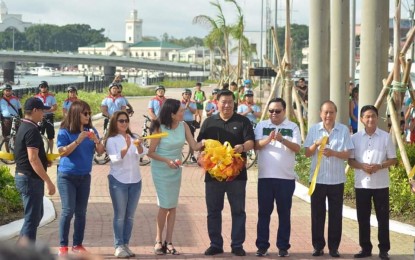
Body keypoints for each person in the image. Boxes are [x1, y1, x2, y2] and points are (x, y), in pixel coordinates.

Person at [197, 89, 255, 256]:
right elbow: (200, 144)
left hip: (237, 176)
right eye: (224, 102)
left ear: (234, 103)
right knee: (213, 211)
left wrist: (243, 147)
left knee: (238, 211)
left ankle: (237, 245)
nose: (227, 105)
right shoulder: (209, 122)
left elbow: (251, 141)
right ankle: (215, 244)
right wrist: (201, 155)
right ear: (217, 102)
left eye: (230, 102)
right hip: (213, 176)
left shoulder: (243, 121)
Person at [147, 98, 204, 256]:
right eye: (181, 111)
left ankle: (169, 241)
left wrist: (206, 142)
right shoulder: (158, 127)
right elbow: (150, 152)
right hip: (161, 169)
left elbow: (194, 146)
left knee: (172, 206)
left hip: (176, 169)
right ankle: (158, 240)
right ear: (172, 114)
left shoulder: (184, 125)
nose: (184, 112)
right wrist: (167, 161)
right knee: (164, 205)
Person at [304, 100, 353, 258]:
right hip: (317, 180)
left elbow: (348, 154)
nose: (328, 115)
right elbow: (306, 153)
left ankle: (334, 248)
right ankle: (318, 246)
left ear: (335, 114)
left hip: (336, 180)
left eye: (331, 112)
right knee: (317, 215)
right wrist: (315, 145)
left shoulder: (343, 130)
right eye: (325, 112)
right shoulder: (314, 129)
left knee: (335, 215)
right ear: (320, 114)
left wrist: (334, 153)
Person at [56, 100, 105, 256]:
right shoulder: (65, 131)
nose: (88, 116)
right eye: (85, 113)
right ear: (76, 114)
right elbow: (62, 152)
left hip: (84, 176)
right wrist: (78, 140)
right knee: (68, 210)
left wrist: (96, 140)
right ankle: (63, 246)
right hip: (67, 176)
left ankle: (77, 244)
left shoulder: (92, 130)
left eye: (89, 113)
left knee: (81, 212)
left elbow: (100, 152)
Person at [348, 105, 397, 260]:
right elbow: (350, 161)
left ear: (377, 118)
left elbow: (393, 159)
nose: (370, 119)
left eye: (373, 116)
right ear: (361, 119)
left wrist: (380, 166)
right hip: (362, 184)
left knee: (382, 218)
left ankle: (384, 249)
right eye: (367, 116)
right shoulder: (354, 138)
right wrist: (362, 166)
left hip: (381, 184)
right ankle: (365, 248)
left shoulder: (385, 136)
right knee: (363, 218)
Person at [254, 98, 301, 257]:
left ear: (284, 111)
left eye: (277, 111)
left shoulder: (292, 126)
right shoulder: (262, 125)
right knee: (263, 213)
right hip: (265, 178)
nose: (274, 114)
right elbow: (256, 145)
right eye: (271, 110)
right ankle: (262, 246)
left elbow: (297, 148)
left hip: (285, 179)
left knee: (284, 213)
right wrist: (269, 139)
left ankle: (283, 246)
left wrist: (282, 139)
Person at [14, 97, 56, 244]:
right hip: (29, 179)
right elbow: (32, 159)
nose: (43, 114)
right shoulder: (31, 130)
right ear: (35, 110)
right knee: (32, 219)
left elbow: (28, 155)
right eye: (42, 111)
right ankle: (23, 253)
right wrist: (49, 181)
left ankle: (21, 249)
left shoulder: (24, 126)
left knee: (36, 216)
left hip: (28, 177)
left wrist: (44, 160)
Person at [105, 111, 146, 258]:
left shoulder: (134, 136)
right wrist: (126, 146)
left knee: (130, 216)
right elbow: (115, 159)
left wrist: (139, 145)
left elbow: (142, 154)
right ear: (115, 123)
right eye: (121, 121)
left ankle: (126, 244)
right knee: (120, 215)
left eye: (126, 120)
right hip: (118, 181)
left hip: (135, 181)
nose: (124, 123)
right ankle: (118, 245)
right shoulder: (111, 140)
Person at [35, 81, 57, 153]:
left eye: (44, 86)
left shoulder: (51, 97)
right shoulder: (36, 97)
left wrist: (46, 111)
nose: (43, 88)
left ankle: (51, 152)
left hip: (49, 117)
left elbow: (55, 107)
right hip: (40, 118)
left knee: (50, 136)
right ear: (39, 88)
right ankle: (41, 152)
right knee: (39, 136)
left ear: (47, 87)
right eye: (42, 87)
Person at [180, 88, 198, 163]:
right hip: (181, 122)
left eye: (188, 94)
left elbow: (194, 112)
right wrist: (185, 107)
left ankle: (192, 156)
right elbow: (179, 112)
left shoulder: (193, 103)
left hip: (190, 122)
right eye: (185, 94)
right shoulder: (179, 103)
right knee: (180, 139)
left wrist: (189, 106)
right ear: (183, 95)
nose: (187, 95)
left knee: (191, 139)